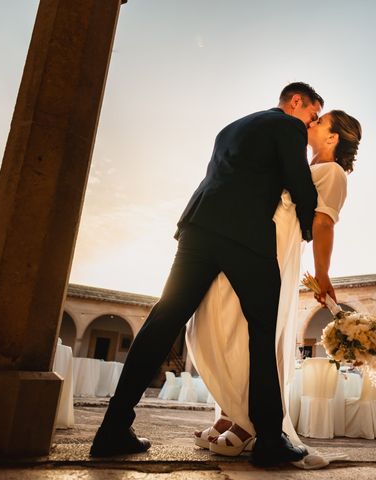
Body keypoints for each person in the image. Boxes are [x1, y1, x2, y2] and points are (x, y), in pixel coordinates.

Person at [90, 82, 324, 468]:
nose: (311, 124)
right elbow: (299, 182)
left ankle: (113, 427)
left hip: (198, 228)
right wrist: (306, 231)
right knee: (262, 333)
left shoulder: (231, 127)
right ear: (296, 101)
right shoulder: (287, 126)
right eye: (311, 114)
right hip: (246, 235)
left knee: (162, 321)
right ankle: (268, 439)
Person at [187, 109, 362, 467]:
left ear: (333, 138)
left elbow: (324, 223)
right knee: (219, 318)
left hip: (277, 247)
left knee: (246, 327)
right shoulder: (300, 162)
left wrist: (323, 274)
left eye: (320, 121)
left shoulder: (333, 173)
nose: (311, 124)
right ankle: (231, 410)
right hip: (251, 238)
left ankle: (249, 422)